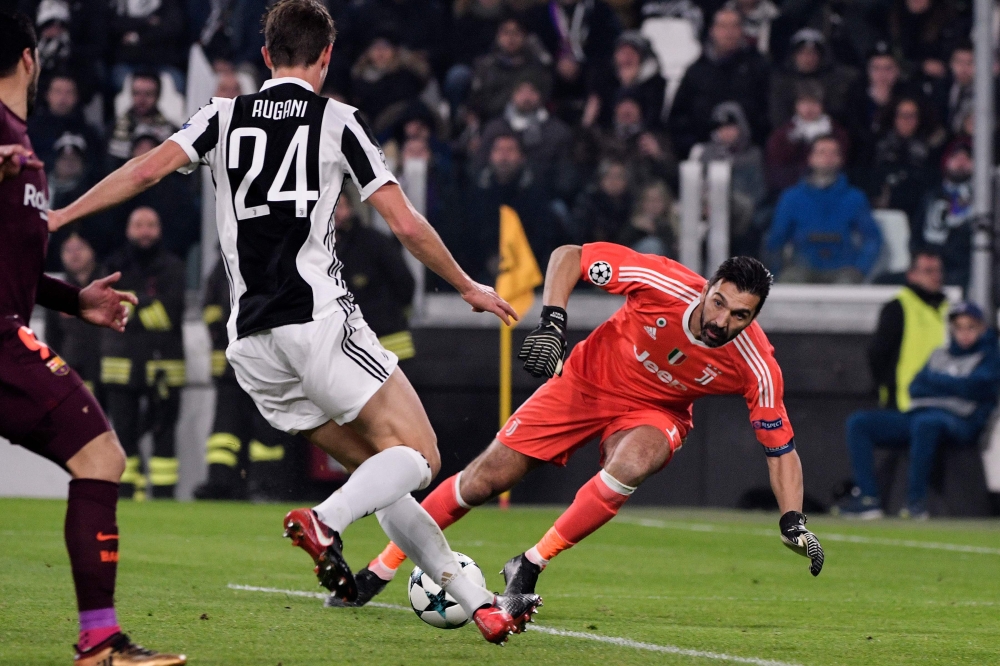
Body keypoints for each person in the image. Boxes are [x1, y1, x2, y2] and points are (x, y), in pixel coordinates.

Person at [46, 0, 540, 646]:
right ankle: (326, 521)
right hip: (316, 320)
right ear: (327, 57)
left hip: (250, 342)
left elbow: (145, 171)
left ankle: (480, 605)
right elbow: (406, 224)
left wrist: (56, 219)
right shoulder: (337, 120)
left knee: (383, 476)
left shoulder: (222, 116)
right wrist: (469, 285)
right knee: (420, 454)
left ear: (264, 57)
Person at [337, 243, 825, 606]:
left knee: (635, 461)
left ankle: (528, 565)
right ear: (707, 288)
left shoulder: (756, 363)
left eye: (741, 315)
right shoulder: (661, 281)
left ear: (755, 317)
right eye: (719, 302)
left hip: (655, 413)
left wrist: (792, 520)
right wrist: (552, 322)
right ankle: (380, 570)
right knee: (485, 481)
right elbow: (569, 255)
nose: (722, 320)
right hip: (583, 384)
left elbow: (780, 450)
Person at [0, 11, 184, 664]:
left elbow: (13, 260)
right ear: (30, 59)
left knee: (100, 459)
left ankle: (101, 639)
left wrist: (75, 299)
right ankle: (100, 640)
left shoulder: (21, 135)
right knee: (102, 457)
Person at [838, 302, 1000, 519]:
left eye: (970, 327)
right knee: (859, 422)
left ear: (982, 328)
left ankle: (916, 503)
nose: (964, 334)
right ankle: (868, 499)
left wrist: (936, 382)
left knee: (926, 424)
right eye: (959, 327)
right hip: (920, 413)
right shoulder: (939, 354)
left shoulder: (990, 357)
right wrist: (954, 385)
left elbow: (975, 387)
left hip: (962, 421)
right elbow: (916, 386)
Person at [194, 257, 300, 501]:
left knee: (267, 430)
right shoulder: (227, 260)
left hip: (266, 363)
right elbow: (211, 306)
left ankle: (266, 485)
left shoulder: (275, 259)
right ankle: (222, 483)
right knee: (226, 431)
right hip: (234, 364)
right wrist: (219, 339)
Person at [99, 207, 186, 500]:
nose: (145, 231)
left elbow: (169, 315)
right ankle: (126, 497)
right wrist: (148, 304)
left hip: (163, 369)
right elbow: (108, 310)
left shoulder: (174, 266)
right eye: (138, 225)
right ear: (128, 230)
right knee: (123, 437)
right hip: (121, 369)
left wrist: (133, 308)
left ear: (159, 230)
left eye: (150, 225)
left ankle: (164, 497)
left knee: (164, 436)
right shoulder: (113, 265)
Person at [766, 135, 882, 284]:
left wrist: (860, 268)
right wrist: (777, 270)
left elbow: (872, 238)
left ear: (840, 159)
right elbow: (776, 238)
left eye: (833, 153)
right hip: (801, 266)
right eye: (821, 152)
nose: (828, 158)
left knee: (846, 287)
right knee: (790, 283)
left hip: (843, 268)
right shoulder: (791, 197)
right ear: (811, 158)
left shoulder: (855, 197)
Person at [668, 7, 771, 158]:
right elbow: (678, 117)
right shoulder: (696, 71)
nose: (729, 32)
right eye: (723, 26)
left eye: (734, 26)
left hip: (750, 152)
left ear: (742, 30)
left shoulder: (759, 67)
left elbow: (768, 112)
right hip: (703, 150)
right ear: (712, 30)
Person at [868, 250, 949, 414]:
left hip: (940, 402)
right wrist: (887, 388)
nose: (936, 276)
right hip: (902, 403)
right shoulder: (898, 308)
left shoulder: (948, 309)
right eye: (928, 271)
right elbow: (878, 353)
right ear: (912, 275)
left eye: (938, 271)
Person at [44, 232, 103, 395]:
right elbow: (52, 337)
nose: (73, 254)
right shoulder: (57, 293)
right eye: (67, 250)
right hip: (75, 374)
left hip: (110, 373)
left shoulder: (108, 288)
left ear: (92, 251)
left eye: (79, 248)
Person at [765, 83, 850, 195]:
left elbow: (843, 165)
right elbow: (776, 170)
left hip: (833, 191)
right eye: (804, 103)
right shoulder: (781, 136)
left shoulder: (837, 133)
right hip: (791, 192)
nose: (809, 108)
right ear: (796, 105)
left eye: (814, 103)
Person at [768, 28, 859, 130]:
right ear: (793, 55)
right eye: (802, 53)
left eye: (813, 53)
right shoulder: (782, 81)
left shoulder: (835, 80)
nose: (808, 58)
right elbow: (778, 116)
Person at [922, 139, 974, 289]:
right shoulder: (932, 196)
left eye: (967, 159)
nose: (961, 163)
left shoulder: (983, 200)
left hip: (963, 268)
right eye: (956, 158)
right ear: (947, 162)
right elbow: (916, 236)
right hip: (929, 263)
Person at [105, 72, 177, 167]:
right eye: (136, 93)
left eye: (148, 94)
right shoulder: (113, 130)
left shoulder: (172, 134)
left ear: (158, 96)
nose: (141, 100)